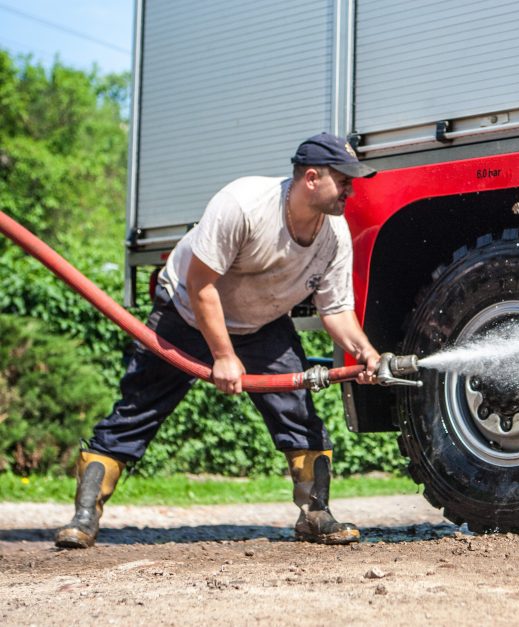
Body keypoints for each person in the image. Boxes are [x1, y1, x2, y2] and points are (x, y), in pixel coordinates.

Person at [55, 133, 381, 549]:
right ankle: (84, 517)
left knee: (299, 415)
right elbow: (200, 284)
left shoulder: (334, 233)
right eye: (344, 180)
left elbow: (335, 309)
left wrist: (367, 353)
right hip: (187, 314)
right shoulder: (243, 205)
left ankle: (315, 514)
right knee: (138, 409)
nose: (352, 189)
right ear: (312, 178)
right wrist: (223, 355)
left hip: (262, 324)